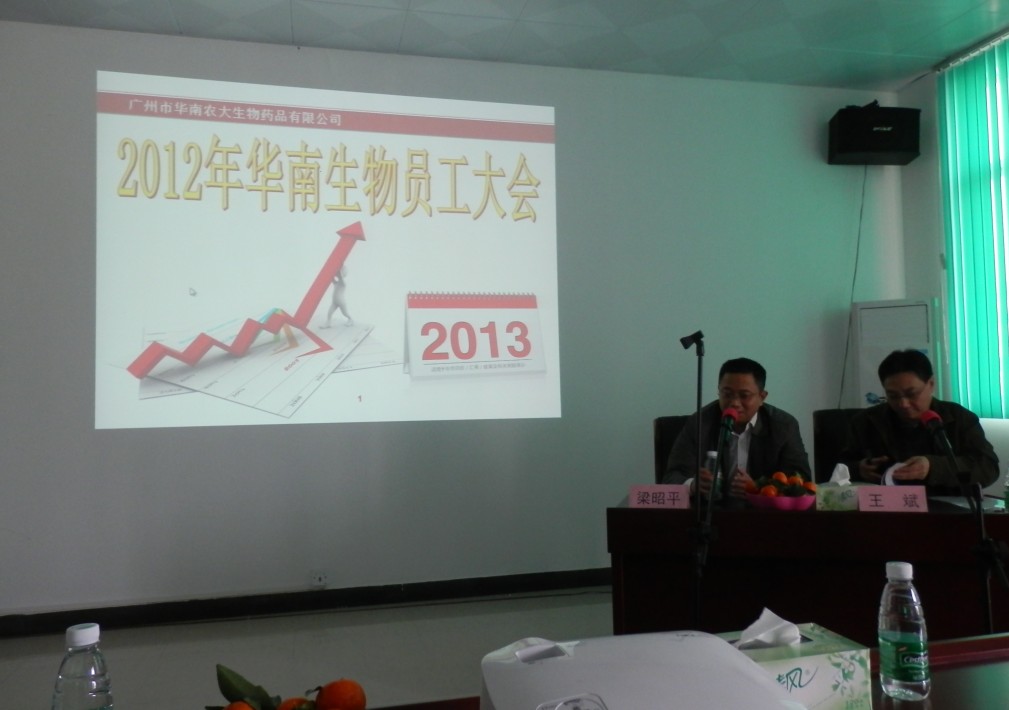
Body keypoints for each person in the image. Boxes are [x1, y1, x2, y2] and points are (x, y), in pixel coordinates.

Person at [841, 349, 998, 494]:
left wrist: (933, 467)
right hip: (884, 508)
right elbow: (837, 468)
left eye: (912, 394)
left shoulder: (958, 418)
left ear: (931, 384)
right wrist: (858, 469)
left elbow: (988, 468)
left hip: (947, 508)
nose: (903, 404)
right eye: (893, 396)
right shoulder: (865, 422)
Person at [663, 357, 811, 500]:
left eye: (744, 396)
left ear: (762, 397)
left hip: (764, 512)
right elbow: (672, 476)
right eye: (727, 394)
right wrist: (693, 485)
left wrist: (758, 488)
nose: (734, 403)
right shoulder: (700, 423)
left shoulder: (784, 426)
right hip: (712, 511)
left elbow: (801, 481)